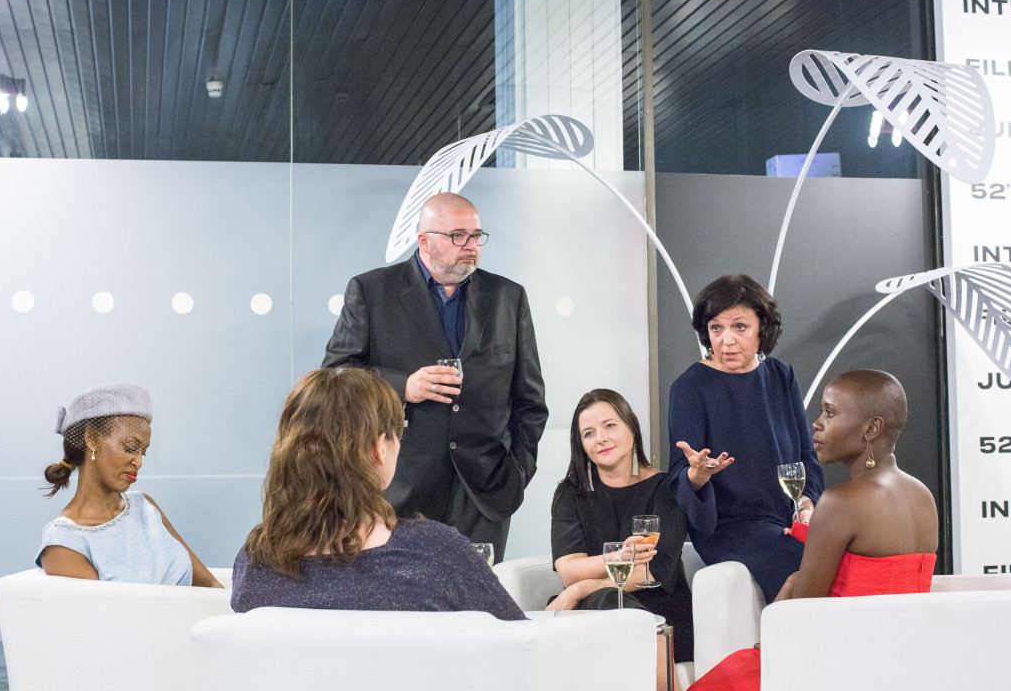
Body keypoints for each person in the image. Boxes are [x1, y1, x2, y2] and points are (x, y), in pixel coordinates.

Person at [322, 192, 548, 562]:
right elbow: (336, 376)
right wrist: (403, 387)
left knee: (473, 599)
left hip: (484, 494)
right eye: (458, 236)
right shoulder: (372, 291)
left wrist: (517, 471)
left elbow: (530, 401)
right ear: (424, 241)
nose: (471, 245)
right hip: (399, 493)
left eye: (476, 236)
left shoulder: (508, 297)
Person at [689, 369, 938, 691]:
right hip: (902, 665)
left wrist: (783, 604)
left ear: (871, 428)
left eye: (830, 413)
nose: (817, 423)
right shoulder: (922, 496)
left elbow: (799, 618)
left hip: (835, 667)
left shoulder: (840, 502)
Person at [232, 367, 525, 619]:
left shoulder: (255, 562)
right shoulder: (439, 555)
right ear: (379, 449)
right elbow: (519, 648)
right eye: (400, 432)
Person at [667, 274, 824, 602]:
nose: (726, 340)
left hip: (786, 519)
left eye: (740, 326)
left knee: (841, 550)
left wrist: (806, 506)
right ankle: (783, 633)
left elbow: (806, 458)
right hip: (727, 529)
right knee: (800, 559)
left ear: (762, 328)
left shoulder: (782, 376)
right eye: (716, 328)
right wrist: (697, 475)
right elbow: (679, 477)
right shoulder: (689, 387)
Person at [550, 389, 692, 691]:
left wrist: (582, 587)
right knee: (601, 601)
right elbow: (569, 570)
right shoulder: (570, 494)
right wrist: (619, 557)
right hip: (592, 610)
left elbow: (653, 572)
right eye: (589, 433)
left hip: (660, 609)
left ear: (631, 426)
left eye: (610, 425)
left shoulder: (666, 488)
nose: (600, 438)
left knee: (604, 599)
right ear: (581, 445)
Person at [38, 383, 221, 587]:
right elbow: (104, 608)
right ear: (91, 439)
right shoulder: (64, 542)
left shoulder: (145, 506)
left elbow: (210, 585)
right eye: (130, 447)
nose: (139, 462)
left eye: (143, 452)